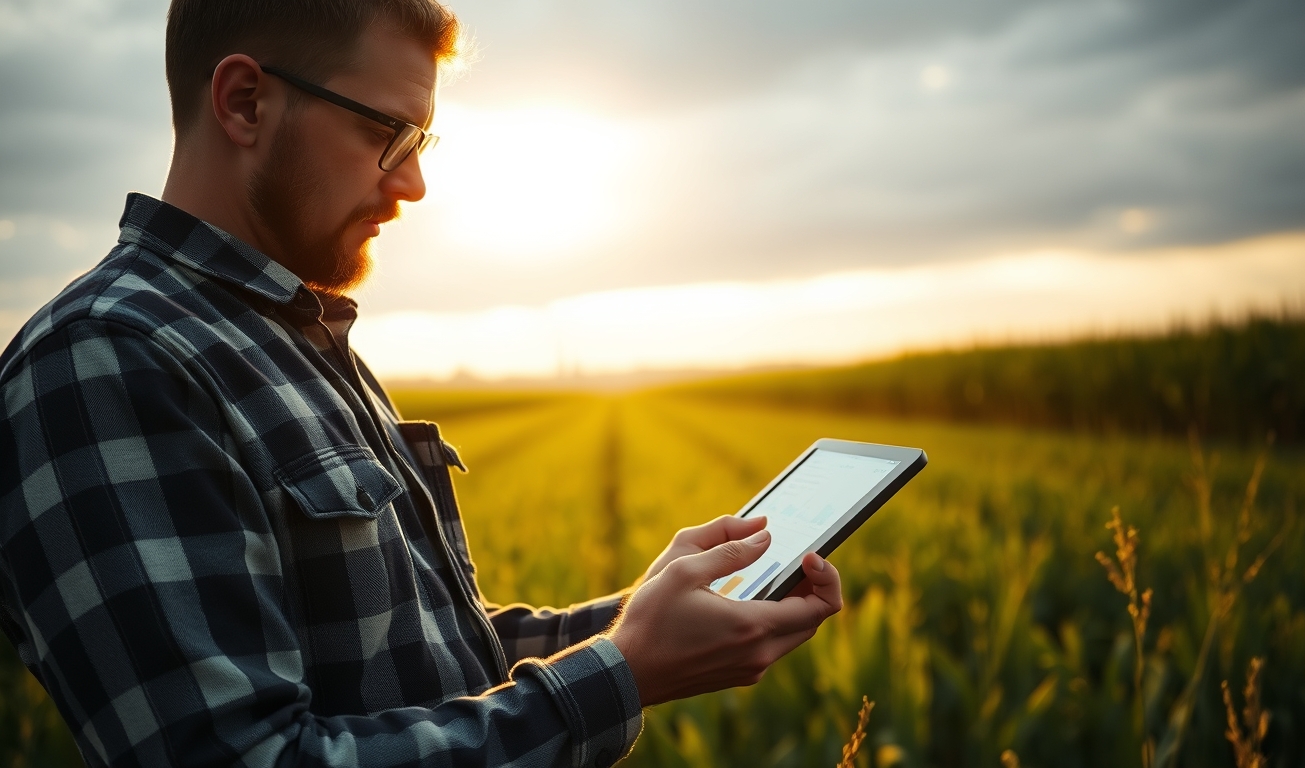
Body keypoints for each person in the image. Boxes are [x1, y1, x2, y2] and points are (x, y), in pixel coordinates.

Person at [0, 1, 843, 766]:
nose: (411, 184)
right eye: (387, 135)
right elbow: (244, 756)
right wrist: (622, 672)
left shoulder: (299, 334)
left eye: (421, 144)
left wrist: (644, 619)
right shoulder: (106, 359)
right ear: (245, 102)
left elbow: (425, 661)